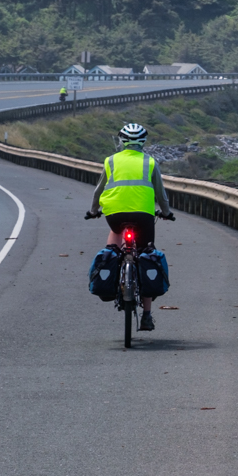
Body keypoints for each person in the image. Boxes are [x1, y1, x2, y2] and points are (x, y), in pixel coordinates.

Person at [85, 122, 175, 330]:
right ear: (143, 142)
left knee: (113, 243)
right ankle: (147, 314)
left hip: (115, 214)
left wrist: (92, 211)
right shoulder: (150, 162)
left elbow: (98, 191)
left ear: (122, 141)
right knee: (146, 255)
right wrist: (167, 214)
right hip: (144, 215)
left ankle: (113, 270)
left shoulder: (111, 161)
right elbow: (161, 194)